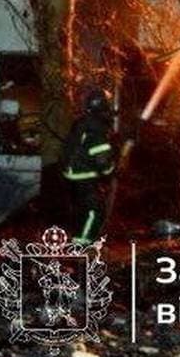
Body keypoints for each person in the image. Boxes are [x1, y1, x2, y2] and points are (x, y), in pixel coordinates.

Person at [60, 89, 121, 243]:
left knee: (81, 211)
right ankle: (82, 245)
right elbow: (102, 161)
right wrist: (112, 170)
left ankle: (78, 241)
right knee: (95, 211)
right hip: (84, 175)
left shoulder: (83, 123)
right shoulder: (96, 129)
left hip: (71, 174)